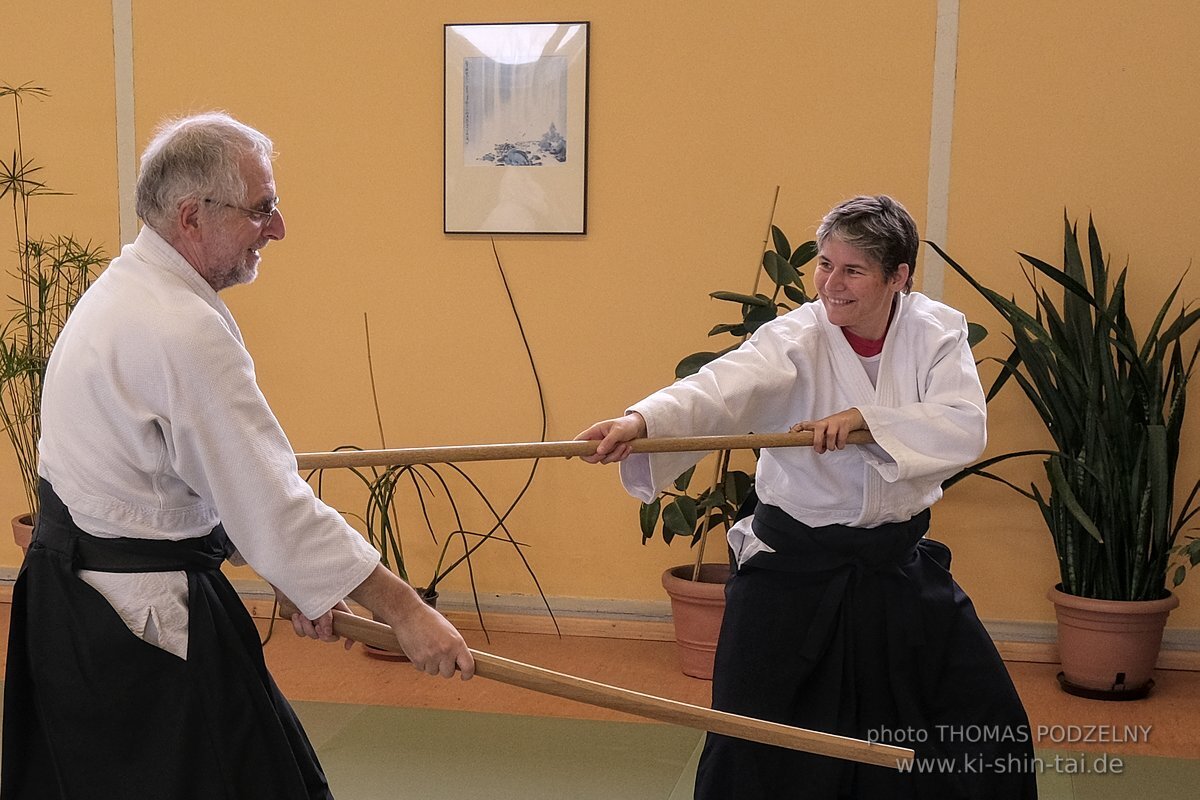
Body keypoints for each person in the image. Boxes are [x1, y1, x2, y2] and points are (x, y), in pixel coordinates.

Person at [1, 112, 475, 800]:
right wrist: (404, 612)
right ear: (193, 216)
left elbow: (186, 483)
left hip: (79, 607)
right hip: (138, 621)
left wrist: (297, 576)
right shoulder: (179, 328)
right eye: (263, 208)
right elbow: (270, 500)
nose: (278, 228)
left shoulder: (126, 288)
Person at [577, 195, 1037, 798]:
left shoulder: (935, 332)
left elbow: (960, 425)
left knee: (982, 725)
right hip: (792, 570)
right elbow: (721, 389)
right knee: (754, 736)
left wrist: (867, 421)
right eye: (824, 264)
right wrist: (642, 424)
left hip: (894, 568)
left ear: (899, 276)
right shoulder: (794, 337)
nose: (830, 283)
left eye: (853, 270)